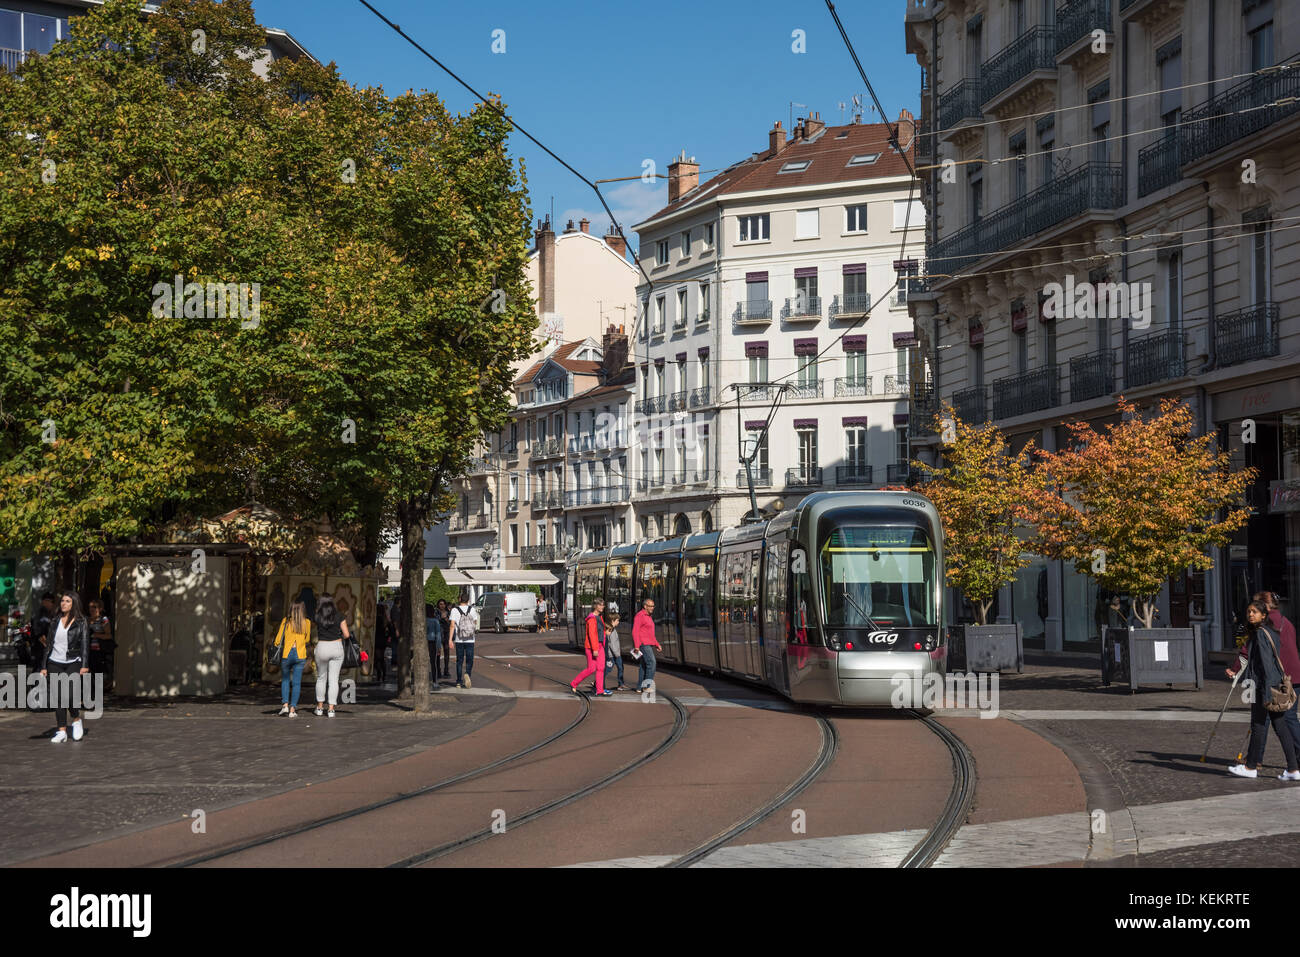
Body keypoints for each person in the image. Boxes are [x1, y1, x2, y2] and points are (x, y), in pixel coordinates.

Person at [1226, 600, 1300, 780]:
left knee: (1259, 725)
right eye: (1249, 612)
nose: (1250, 615)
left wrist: (1267, 691)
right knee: (1280, 726)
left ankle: (1251, 767)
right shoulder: (1271, 632)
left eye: (1254, 612)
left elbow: (1266, 664)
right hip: (1272, 686)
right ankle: (1293, 769)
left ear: (1264, 615)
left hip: (1264, 687)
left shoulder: (1260, 634)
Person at [40, 591, 89, 743]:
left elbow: (85, 644)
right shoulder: (55, 620)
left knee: (69, 695)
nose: (63, 604)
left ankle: (75, 720)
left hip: (73, 662)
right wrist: (43, 665)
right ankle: (61, 731)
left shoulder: (81, 621)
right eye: (62, 601)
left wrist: (85, 665)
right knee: (58, 697)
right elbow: (48, 645)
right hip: (54, 662)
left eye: (67, 601)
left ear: (74, 603)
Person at [272, 601, 311, 718]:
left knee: (285, 680)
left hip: (287, 654)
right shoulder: (307, 622)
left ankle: (285, 705)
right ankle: (292, 710)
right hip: (300, 655)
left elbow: (278, 640)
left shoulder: (286, 621)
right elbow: (307, 639)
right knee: (296, 683)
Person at [314, 596, 351, 717]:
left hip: (322, 647)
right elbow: (346, 634)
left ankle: (319, 708)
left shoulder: (317, 616)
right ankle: (331, 709)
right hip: (336, 647)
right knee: (334, 680)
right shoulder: (340, 616)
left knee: (321, 678)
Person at [570, 598, 611, 696]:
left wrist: (605, 633)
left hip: (600, 645)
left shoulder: (599, 617)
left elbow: (600, 631)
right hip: (592, 647)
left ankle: (600, 690)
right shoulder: (592, 619)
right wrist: (595, 649)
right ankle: (574, 683)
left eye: (603, 605)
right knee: (591, 669)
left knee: (601, 668)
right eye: (600, 605)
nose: (602, 607)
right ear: (595, 606)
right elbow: (592, 635)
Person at [633, 597, 661, 693]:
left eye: (653, 606)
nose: (652, 608)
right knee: (652, 663)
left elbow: (650, 633)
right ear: (645, 606)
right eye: (650, 606)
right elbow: (635, 631)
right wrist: (637, 645)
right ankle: (646, 686)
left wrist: (657, 644)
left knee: (644, 665)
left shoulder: (648, 616)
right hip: (643, 644)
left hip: (648, 643)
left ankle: (639, 687)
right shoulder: (640, 616)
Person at [86, 600, 115, 694]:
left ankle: (97, 697)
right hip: (87, 651)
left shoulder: (103, 620)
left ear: (100, 609)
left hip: (99, 651)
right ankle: (88, 697)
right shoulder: (86, 620)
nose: (92, 609)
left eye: (94, 607)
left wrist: (95, 635)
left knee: (98, 674)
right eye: (90, 607)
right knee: (87, 674)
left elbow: (109, 635)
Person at [450, 593, 477, 689]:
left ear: (459, 599)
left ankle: (458, 682)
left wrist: (450, 640)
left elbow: (452, 625)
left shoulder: (454, 610)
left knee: (459, 660)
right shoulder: (472, 610)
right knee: (470, 660)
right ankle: (467, 674)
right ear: (468, 600)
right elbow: (475, 623)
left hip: (459, 639)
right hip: (470, 639)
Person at [604, 610, 628, 691]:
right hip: (613, 655)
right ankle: (597, 682)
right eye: (617, 620)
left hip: (614, 654)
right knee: (608, 669)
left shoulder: (613, 629)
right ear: (612, 621)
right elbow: (612, 644)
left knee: (620, 668)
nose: (618, 622)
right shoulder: (611, 630)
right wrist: (617, 654)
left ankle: (621, 684)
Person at [425, 602, 443, 691]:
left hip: (423, 642)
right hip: (432, 642)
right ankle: (435, 681)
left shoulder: (422, 620)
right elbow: (438, 635)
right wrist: (439, 646)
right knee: (433, 662)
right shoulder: (435, 620)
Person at [373, 601, 390, 683]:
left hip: (376, 639)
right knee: (381, 658)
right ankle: (383, 675)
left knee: (377, 658)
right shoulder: (385, 619)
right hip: (383, 640)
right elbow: (390, 630)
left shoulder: (376, 619)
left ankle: (379, 674)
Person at [436, 599, 452, 680]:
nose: (442, 606)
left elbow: (451, 623)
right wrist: (441, 618)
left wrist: (446, 619)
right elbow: (436, 621)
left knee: (447, 652)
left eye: (443, 604)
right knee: (438, 652)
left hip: (446, 634)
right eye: (440, 604)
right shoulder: (436, 612)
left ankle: (446, 670)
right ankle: (438, 670)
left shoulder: (448, 612)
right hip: (439, 634)